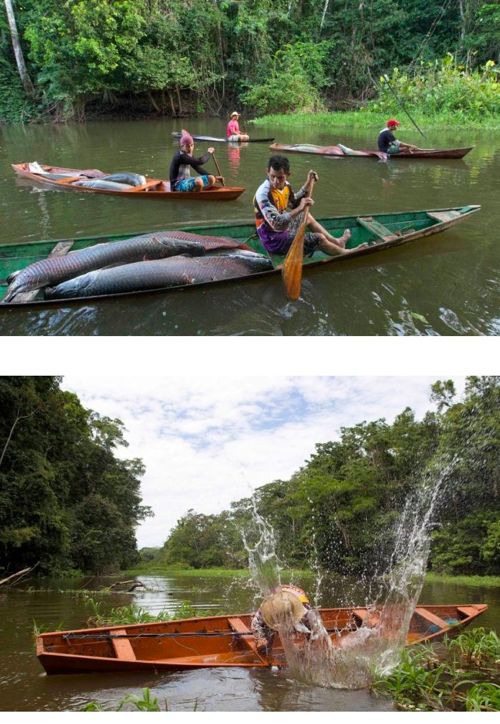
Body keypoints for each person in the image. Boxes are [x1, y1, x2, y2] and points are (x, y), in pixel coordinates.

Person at [253, 155, 354, 257]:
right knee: (318, 238)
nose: (276, 181)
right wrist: (301, 207)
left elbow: (293, 202)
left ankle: (336, 242)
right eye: (272, 176)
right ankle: (346, 253)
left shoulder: (286, 185)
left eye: (280, 177)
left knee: (306, 216)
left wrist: (308, 183)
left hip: (283, 229)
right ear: (267, 172)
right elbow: (277, 224)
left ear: (288, 175)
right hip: (273, 239)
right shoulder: (263, 194)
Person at [251, 584, 317, 653]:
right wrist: (260, 638)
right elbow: (255, 624)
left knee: (309, 648)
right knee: (263, 648)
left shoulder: (306, 612)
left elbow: (315, 631)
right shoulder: (266, 608)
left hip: (295, 597)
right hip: (279, 598)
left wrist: (307, 646)